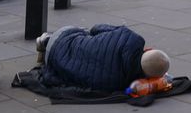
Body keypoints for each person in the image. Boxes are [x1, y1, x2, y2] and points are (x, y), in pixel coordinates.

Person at [36, 24, 169, 91]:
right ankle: (46, 45)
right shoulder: (120, 84)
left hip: (64, 35)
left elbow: (96, 28)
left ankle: (47, 39)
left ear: (149, 50)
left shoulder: (132, 38)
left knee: (86, 33)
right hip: (54, 61)